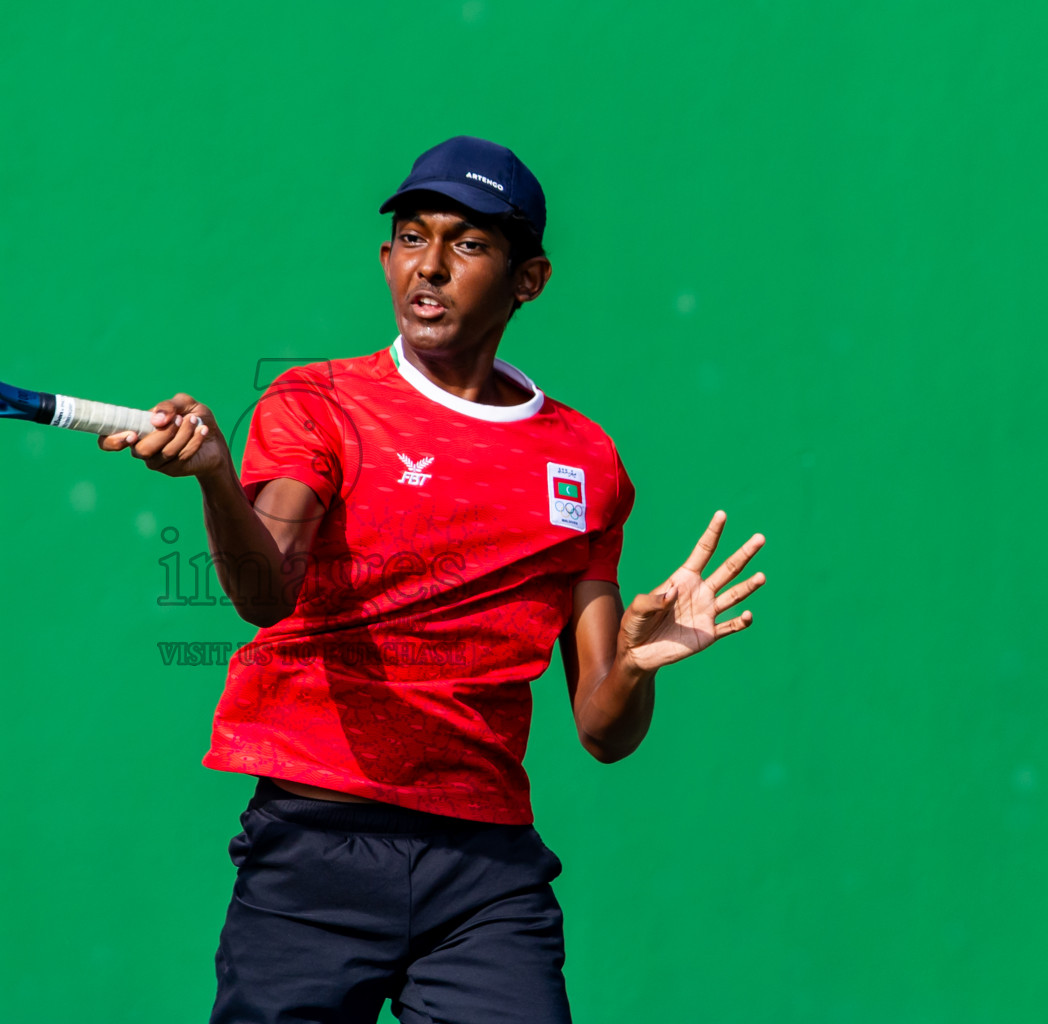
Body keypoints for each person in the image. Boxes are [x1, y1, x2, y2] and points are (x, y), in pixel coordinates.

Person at [100, 136, 766, 1023]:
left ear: (529, 280)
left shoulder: (586, 461)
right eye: (413, 238)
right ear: (386, 258)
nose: (432, 267)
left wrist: (636, 665)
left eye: (469, 244)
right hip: (315, 847)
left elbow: (603, 729)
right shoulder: (318, 404)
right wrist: (220, 477)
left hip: (485, 874)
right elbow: (265, 595)